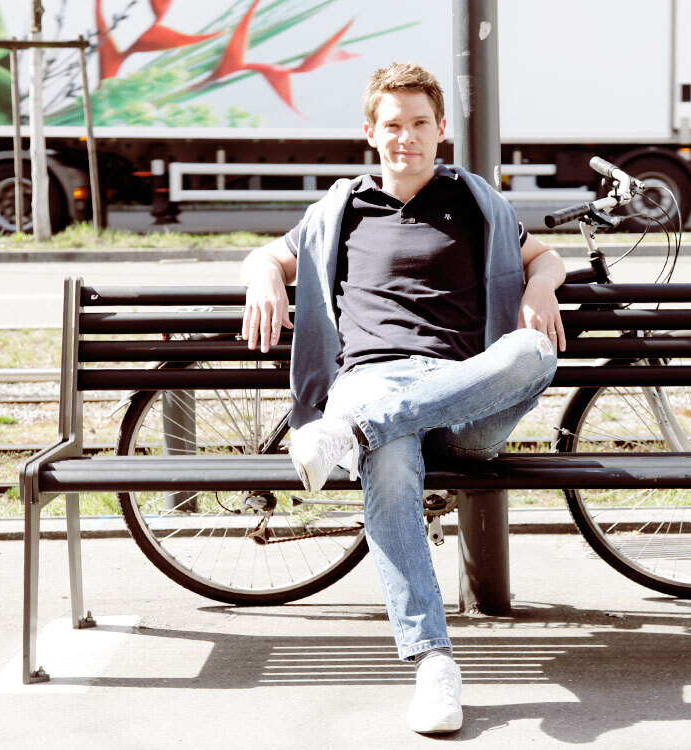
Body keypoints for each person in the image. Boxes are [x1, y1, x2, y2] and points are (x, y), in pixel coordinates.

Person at [239, 62, 567, 734]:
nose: (406, 137)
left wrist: (540, 285)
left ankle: (353, 433)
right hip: (373, 377)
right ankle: (432, 664)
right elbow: (268, 255)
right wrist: (263, 275)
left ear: (440, 129)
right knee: (388, 461)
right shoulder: (341, 211)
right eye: (392, 125)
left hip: (463, 395)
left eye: (420, 123)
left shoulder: (474, 201)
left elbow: (545, 256)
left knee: (533, 352)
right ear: (370, 132)